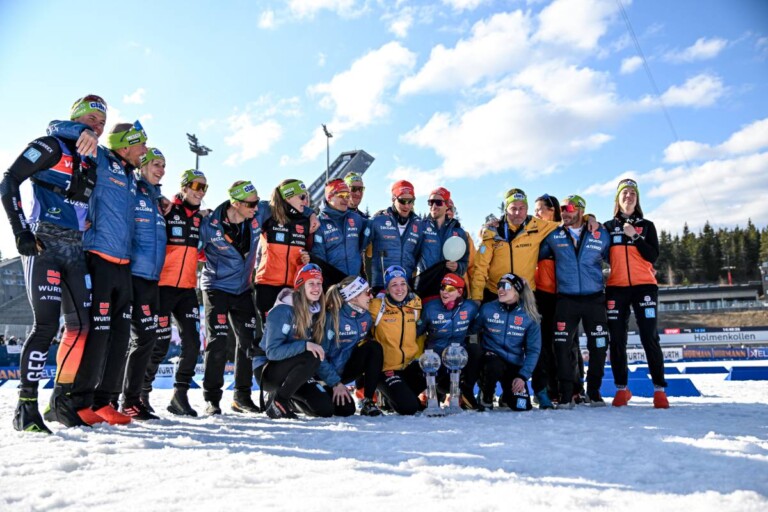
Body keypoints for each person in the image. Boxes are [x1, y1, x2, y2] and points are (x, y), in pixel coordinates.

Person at [1, 95, 106, 432]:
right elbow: (9, 181)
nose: (97, 125)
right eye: (91, 118)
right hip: (43, 243)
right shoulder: (51, 146)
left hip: (75, 249)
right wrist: (20, 231)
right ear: (76, 119)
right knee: (45, 327)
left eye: (102, 122)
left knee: (82, 327)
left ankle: (59, 401)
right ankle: (25, 407)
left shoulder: (92, 158)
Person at [44, 119, 148, 426]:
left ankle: (104, 401)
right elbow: (53, 127)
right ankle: (79, 401)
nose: (145, 149)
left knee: (119, 338)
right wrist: (84, 132)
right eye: (141, 143)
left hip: (124, 265)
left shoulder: (131, 175)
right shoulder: (101, 156)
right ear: (126, 146)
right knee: (97, 336)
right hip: (98, 258)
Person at [142, 169, 208, 417]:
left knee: (193, 343)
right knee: (157, 343)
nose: (200, 191)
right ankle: (141, 392)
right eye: (196, 186)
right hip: (162, 286)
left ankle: (180, 396)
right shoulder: (168, 210)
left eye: (204, 187)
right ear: (184, 187)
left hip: (187, 289)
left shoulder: (200, 219)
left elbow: (203, 251)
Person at [199, 180, 265, 415]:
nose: (256, 207)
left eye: (257, 202)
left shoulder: (258, 214)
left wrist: (310, 214)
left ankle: (242, 397)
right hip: (215, 287)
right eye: (251, 204)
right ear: (235, 203)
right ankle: (212, 399)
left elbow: (282, 203)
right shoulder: (209, 224)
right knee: (217, 341)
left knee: (247, 342)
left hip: (243, 289)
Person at [539, 195, 611, 409]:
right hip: (566, 299)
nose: (565, 212)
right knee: (561, 347)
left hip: (594, 298)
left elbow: (614, 258)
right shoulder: (554, 235)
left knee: (598, 345)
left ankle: (594, 391)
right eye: (562, 208)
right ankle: (566, 394)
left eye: (569, 208)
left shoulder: (600, 233)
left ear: (581, 210)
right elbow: (536, 255)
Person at [604, 179, 668, 408]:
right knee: (617, 339)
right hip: (616, 287)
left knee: (649, 336)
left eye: (633, 193)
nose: (629, 196)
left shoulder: (647, 226)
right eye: (625, 192)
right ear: (617, 198)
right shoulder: (608, 227)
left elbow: (652, 256)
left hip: (644, 287)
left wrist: (635, 236)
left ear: (637, 198)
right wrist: (590, 219)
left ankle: (659, 390)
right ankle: (622, 389)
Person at [119, 148, 167, 420]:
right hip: (131, 274)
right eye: (156, 164)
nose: (161, 170)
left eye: (163, 165)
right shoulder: (132, 190)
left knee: (147, 339)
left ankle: (131, 399)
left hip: (151, 279)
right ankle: (124, 399)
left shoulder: (156, 199)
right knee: (135, 338)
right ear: (143, 166)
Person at [254, 264, 328, 419]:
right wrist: (305, 345)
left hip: (294, 372)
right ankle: (279, 401)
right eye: (311, 283)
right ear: (300, 286)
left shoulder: (316, 311)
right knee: (311, 354)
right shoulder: (283, 310)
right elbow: (273, 352)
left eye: (319, 283)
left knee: (325, 408)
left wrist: (336, 383)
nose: (316, 288)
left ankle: (283, 399)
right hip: (268, 370)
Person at [471, 189, 559, 304]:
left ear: (527, 209)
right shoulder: (493, 231)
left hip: (525, 294)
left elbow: (568, 223)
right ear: (506, 209)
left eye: (522, 208)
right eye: (513, 208)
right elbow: (480, 267)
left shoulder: (538, 226)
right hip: (496, 293)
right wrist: (476, 297)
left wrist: (585, 216)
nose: (518, 212)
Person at [315, 276, 383, 416]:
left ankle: (368, 401)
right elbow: (318, 357)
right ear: (353, 297)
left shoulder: (365, 317)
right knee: (346, 410)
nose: (371, 296)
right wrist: (335, 383)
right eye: (367, 292)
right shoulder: (331, 317)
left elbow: (364, 354)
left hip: (344, 372)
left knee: (374, 347)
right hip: (324, 376)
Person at [475, 273, 541, 411]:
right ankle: (486, 395)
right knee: (493, 364)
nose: (500, 289)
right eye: (499, 285)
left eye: (505, 286)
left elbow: (533, 350)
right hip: (491, 360)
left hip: (513, 364)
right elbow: (471, 331)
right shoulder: (487, 309)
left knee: (522, 406)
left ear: (517, 290)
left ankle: (506, 396)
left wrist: (522, 376)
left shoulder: (529, 316)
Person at [417, 273, 482, 409]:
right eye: (442, 287)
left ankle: (465, 391)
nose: (444, 292)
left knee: (475, 349)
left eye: (449, 289)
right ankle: (431, 393)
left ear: (460, 292)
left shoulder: (470, 307)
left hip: (457, 362)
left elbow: (475, 328)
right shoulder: (430, 307)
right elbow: (416, 332)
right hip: (435, 362)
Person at [368, 265, 424, 415]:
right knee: (409, 408)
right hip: (387, 369)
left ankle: (397, 395)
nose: (399, 289)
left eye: (402, 283)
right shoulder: (376, 307)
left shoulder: (415, 303)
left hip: (409, 366)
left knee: (436, 369)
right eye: (394, 285)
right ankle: (390, 394)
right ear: (387, 289)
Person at [254, 179, 312, 320]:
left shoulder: (306, 221)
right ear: (288, 196)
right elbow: (255, 206)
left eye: (307, 197)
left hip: (294, 286)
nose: (305, 201)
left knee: (293, 329)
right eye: (302, 197)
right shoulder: (269, 216)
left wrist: (307, 258)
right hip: (267, 284)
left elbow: (311, 250)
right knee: (270, 329)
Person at [310, 179, 370, 289]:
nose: (346, 199)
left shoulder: (356, 218)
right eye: (341, 195)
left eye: (347, 195)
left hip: (356, 283)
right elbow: (319, 259)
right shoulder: (319, 223)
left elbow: (373, 228)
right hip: (334, 285)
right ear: (329, 197)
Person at [414, 187, 469, 302]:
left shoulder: (459, 232)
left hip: (449, 288)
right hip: (426, 285)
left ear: (447, 205)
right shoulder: (420, 227)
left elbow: (464, 262)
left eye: (438, 202)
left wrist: (458, 267)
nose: (434, 206)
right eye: (431, 202)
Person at [367, 180, 423, 292]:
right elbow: (359, 249)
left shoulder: (418, 225)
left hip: (405, 286)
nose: (407, 205)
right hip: (381, 285)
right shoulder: (377, 221)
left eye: (411, 201)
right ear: (393, 199)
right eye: (402, 201)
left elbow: (418, 255)